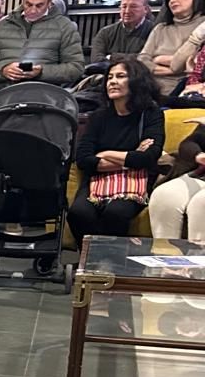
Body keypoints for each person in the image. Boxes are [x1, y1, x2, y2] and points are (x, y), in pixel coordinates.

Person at [66, 58, 165, 245]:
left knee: (116, 212)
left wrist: (104, 154)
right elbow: (84, 159)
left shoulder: (150, 114)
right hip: (97, 180)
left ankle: (111, 260)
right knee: (78, 213)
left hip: (134, 181)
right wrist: (131, 155)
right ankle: (91, 259)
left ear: (136, 81)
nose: (112, 81)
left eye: (120, 76)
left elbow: (148, 157)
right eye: (110, 77)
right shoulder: (98, 117)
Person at [0, 0, 84, 88]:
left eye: (39, 5)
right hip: (6, 93)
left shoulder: (64, 27)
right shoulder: (3, 25)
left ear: (50, 3)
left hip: (46, 94)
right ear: (23, 0)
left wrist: (42, 71)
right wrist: (3, 70)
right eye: (28, 4)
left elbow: (76, 68)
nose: (33, 10)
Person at [138, 0, 205, 99]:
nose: (172, 0)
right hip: (149, 86)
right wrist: (174, 69)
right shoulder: (161, 28)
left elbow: (193, 63)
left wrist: (158, 59)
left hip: (184, 90)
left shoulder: (202, 26)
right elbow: (142, 60)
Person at [149, 122, 205, 241]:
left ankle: (198, 251)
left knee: (201, 203)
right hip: (200, 175)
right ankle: (165, 250)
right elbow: (189, 143)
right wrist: (198, 155)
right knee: (164, 195)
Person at [90, 0, 155, 66]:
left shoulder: (155, 31)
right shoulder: (105, 32)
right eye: (124, 6)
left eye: (133, 6)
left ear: (145, 9)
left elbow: (150, 59)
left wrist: (112, 57)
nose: (127, 11)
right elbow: (96, 60)